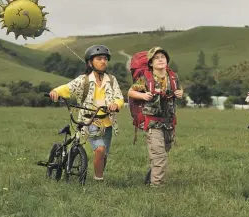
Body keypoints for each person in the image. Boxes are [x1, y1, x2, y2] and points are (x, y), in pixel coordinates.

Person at [48, 45, 124, 181]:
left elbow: (119, 98)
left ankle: (98, 174)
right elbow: (68, 88)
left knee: (104, 154)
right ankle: (99, 180)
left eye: (105, 59)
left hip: (107, 122)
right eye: (99, 59)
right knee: (100, 149)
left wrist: (115, 104)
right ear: (90, 62)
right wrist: (56, 91)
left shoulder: (111, 80)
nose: (103, 62)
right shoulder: (84, 80)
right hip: (90, 121)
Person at [128, 46, 183, 187]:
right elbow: (131, 92)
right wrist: (143, 95)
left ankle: (151, 178)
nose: (160, 60)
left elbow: (179, 90)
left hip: (169, 122)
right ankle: (157, 188)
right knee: (159, 156)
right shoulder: (146, 78)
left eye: (163, 57)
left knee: (164, 151)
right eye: (156, 58)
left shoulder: (173, 76)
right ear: (151, 63)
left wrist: (180, 93)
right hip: (152, 122)